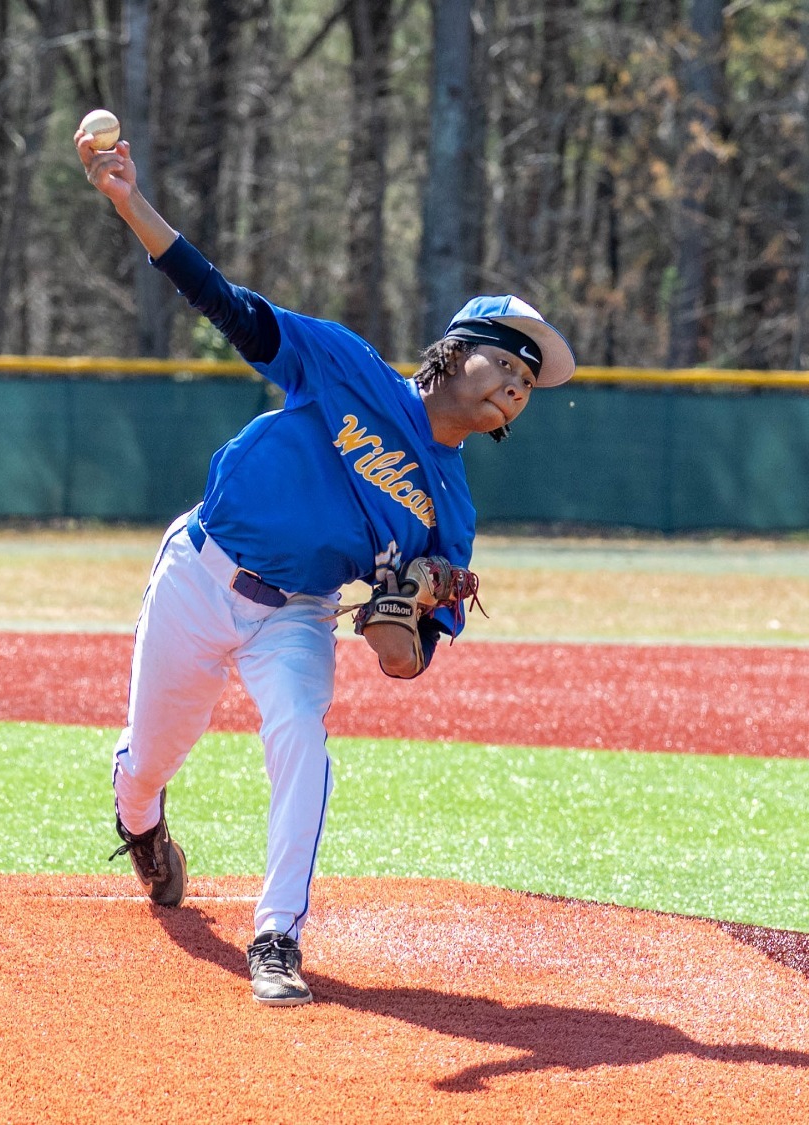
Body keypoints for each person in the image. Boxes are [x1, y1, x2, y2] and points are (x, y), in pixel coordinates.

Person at [78, 125, 574, 1007]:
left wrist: (402, 620)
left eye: (528, 387)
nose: (516, 386)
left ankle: (276, 936)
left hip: (297, 614)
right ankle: (141, 822)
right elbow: (224, 302)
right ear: (456, 350)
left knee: (301, 736)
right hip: (200, 570)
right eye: (508, 361)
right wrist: (129, 202)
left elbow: (408, 655)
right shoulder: (346, 367)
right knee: (150, 757)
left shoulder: (451, 512)